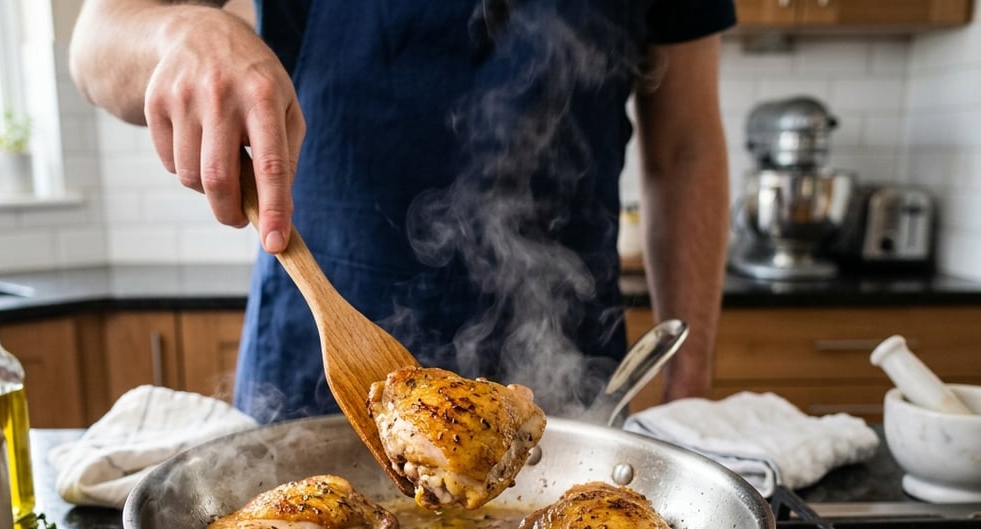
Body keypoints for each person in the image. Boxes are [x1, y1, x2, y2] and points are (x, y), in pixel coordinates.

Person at [70, 0, 733, 423]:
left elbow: (686, 150)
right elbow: (97, 42)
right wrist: (180, 28)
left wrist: (689, 386)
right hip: (321, 360)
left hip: (567, 375)